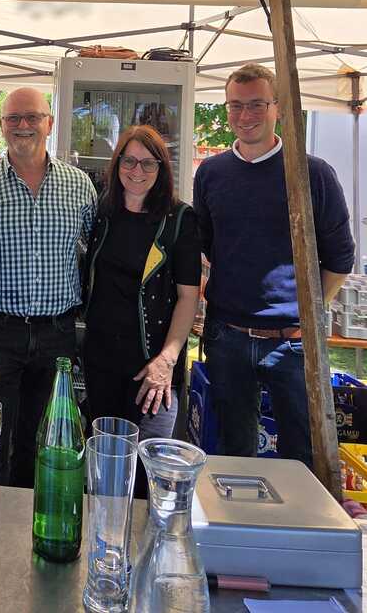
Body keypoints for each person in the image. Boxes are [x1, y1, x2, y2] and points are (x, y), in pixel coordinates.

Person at [194, 62, 355, 467]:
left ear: (278, 108)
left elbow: (340, 258)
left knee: (301, 456)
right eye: (235, 105)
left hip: (293, 342)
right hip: (228, 336)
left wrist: (308, 313)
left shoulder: (311, 173)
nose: (245, 115)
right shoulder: (211, 173)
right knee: (234, 453)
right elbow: (208, 245)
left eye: (256, 105)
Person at [0, 87, 97, 488]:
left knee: (42, 440)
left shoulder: (79, 186)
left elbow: (97, 256)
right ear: (1, 126)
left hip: (57, 335)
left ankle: (25, 513)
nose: (23, 126)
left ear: (49, 123)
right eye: (13, 118)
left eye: (32, 117)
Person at [82, 125, 201, 493]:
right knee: (104, 471)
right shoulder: (104, 213)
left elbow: (188, 297)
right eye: (129, 161)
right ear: (117, 164)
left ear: (161, 168)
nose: (137, 171)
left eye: (148, 163)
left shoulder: (179, 220)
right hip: (102, 363)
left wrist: (166, 361)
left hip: (151, 371)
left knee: (149, 480)